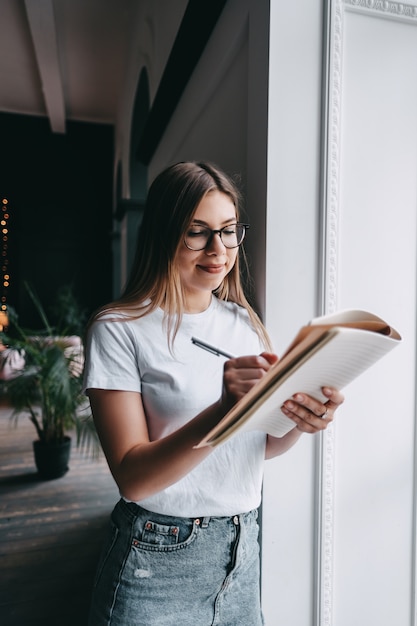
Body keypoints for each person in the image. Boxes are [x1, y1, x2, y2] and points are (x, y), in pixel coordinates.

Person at [83, 161, 344, 626]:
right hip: (156, 559)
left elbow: (257, 447)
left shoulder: (243, 322)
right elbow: (133, 479)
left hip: (242, 550)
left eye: (228, 231)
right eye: (197, 232)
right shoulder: (119, 329)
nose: (218, 250)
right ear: (164, 233)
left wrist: (303, 422)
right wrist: (222, 409)